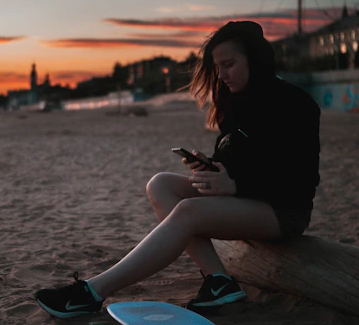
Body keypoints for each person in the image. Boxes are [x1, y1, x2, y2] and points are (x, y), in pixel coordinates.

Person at [34, 21, 321, 319]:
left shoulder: (296, 103)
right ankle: (219, 282)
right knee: (160, 184)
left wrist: (236, 185)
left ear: (255, 60)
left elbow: (302, 180)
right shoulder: (237, 102)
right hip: (243, 199)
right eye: (218, 67)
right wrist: (210, 167)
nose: (221, 75)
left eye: (229, 65)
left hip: (282, 211)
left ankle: (92, 292)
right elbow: (238, 161)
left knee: (188, 212)